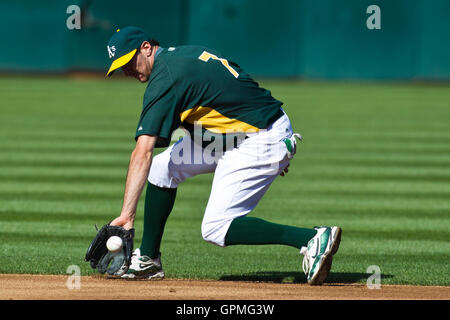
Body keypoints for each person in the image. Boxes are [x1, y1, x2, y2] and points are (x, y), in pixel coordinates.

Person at [106, 26, 341, 285]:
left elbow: (142, 152)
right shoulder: (185, 56)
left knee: (216, 227)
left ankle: (310, 239)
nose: (127, 71)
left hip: (258, 138)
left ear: (146, 48)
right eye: (121, 67)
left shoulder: (166, 77)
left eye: (129, 61)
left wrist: (127, 216)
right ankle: (148, 260)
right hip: (243, 133)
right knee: (161, 169)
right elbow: (235, 91)